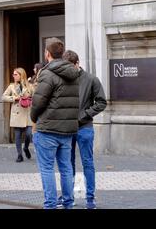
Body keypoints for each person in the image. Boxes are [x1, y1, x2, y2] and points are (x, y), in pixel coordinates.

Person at [31, 38, 80, 209]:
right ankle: (68, 203)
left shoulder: (47, 73)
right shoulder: (74, 74)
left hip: (48, 129)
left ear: (47, 53)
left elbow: (38, 102)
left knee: (47, 169)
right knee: (66, 168)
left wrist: (33, 117)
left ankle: (50, 205)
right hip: (67, 130)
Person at [60, 50, 107, 209]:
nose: (68, 71)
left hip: (84, 128)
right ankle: (68, 197)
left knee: (88, 162)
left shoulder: (91, 79)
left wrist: (84, 115)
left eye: (70, 67)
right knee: (67, 164)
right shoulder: (63, 78)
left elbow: (101, 102)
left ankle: (90, 198)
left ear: (77, 63)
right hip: (66, 128)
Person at [2, 68, 34, 163]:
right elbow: (3, 97)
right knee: (18, 135)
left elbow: (36, 96)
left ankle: (26, 148)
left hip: (27, 112)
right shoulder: (11, 86)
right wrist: (14, 98)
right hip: (16, 113)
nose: (14, 76)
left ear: (21, 75)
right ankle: (19, 155)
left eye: (16, 74)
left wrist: (29, 98)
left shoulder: (30, 86)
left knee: (29, 134)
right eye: (13, 74)